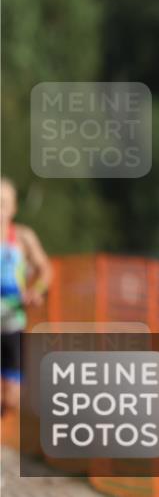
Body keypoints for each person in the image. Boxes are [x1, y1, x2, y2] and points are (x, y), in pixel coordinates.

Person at [0, 177, 52, 417]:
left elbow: (45, 269)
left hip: (13, 324)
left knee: (12, 398)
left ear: (13, 208)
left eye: (3, 203)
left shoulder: (22, 238)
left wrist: (36, 290)